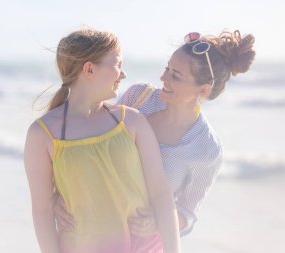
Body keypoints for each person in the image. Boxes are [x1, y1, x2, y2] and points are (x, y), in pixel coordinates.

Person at [54, 30, 256, 237]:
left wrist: (157, 223)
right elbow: (89, 146)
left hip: (142, 245)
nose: (163, 78)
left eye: (175, 75)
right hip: (92, 230)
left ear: (203, 90)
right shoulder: (139, 98)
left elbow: (188, 213)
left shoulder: (207, 149)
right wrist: (58, 196)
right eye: (167, 68)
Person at [24, 28, 181, 253]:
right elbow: (42, 211)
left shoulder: (132, 121)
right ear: (89, 69)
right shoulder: (42, 135)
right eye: (117, 64)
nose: (123, 74)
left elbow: (161, 194)